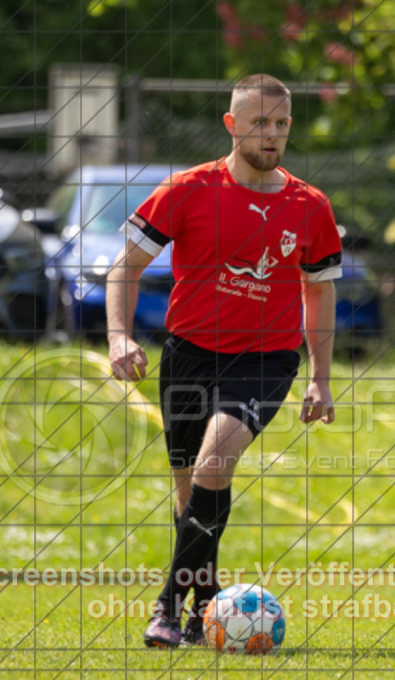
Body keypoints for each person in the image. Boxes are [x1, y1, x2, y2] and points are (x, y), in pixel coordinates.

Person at [106, 73, 342, 648]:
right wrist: (118, 337)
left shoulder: (309, 206)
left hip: (264, 360)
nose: (272, 134)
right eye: (260, 123)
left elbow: (318, 290)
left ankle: (165, 609)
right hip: (187, 355)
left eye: (281, 123)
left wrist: (320, 378)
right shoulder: (187, 189)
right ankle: (205, 607)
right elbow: (125, 267)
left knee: (215, 463)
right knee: (190, 492)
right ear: (232, 124)